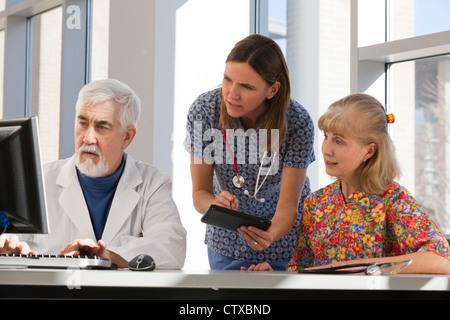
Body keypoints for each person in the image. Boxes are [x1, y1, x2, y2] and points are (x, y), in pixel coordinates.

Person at [245, 93, 450, 274]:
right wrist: (274, 275)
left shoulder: (393, 200)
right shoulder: (315, 204)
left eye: (339, 141)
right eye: (326, 137)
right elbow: (301, 270)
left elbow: (441, 259)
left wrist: (363, 268)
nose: (326, 149)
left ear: (369, 151)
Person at [5, 79, 187, 269]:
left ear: (127, 137)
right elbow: (9, 241)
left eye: (102, 127)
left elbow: (171, 248)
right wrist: (7, 252)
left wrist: (109, 255)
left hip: (119, 298)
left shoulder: (152, 183)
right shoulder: (38, 181)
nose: (88, 138)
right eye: (83, 123)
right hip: (54, 297)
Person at [184, 34, 315, 270]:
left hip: (285, 242)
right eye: (227, 79)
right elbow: (199, 193)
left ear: (272, 90)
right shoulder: (204, 111)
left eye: (246, 86)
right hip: (226, 244)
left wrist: (269, 235)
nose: (232, 94)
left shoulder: (297, 121)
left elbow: (288, 207)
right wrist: (215, 204)